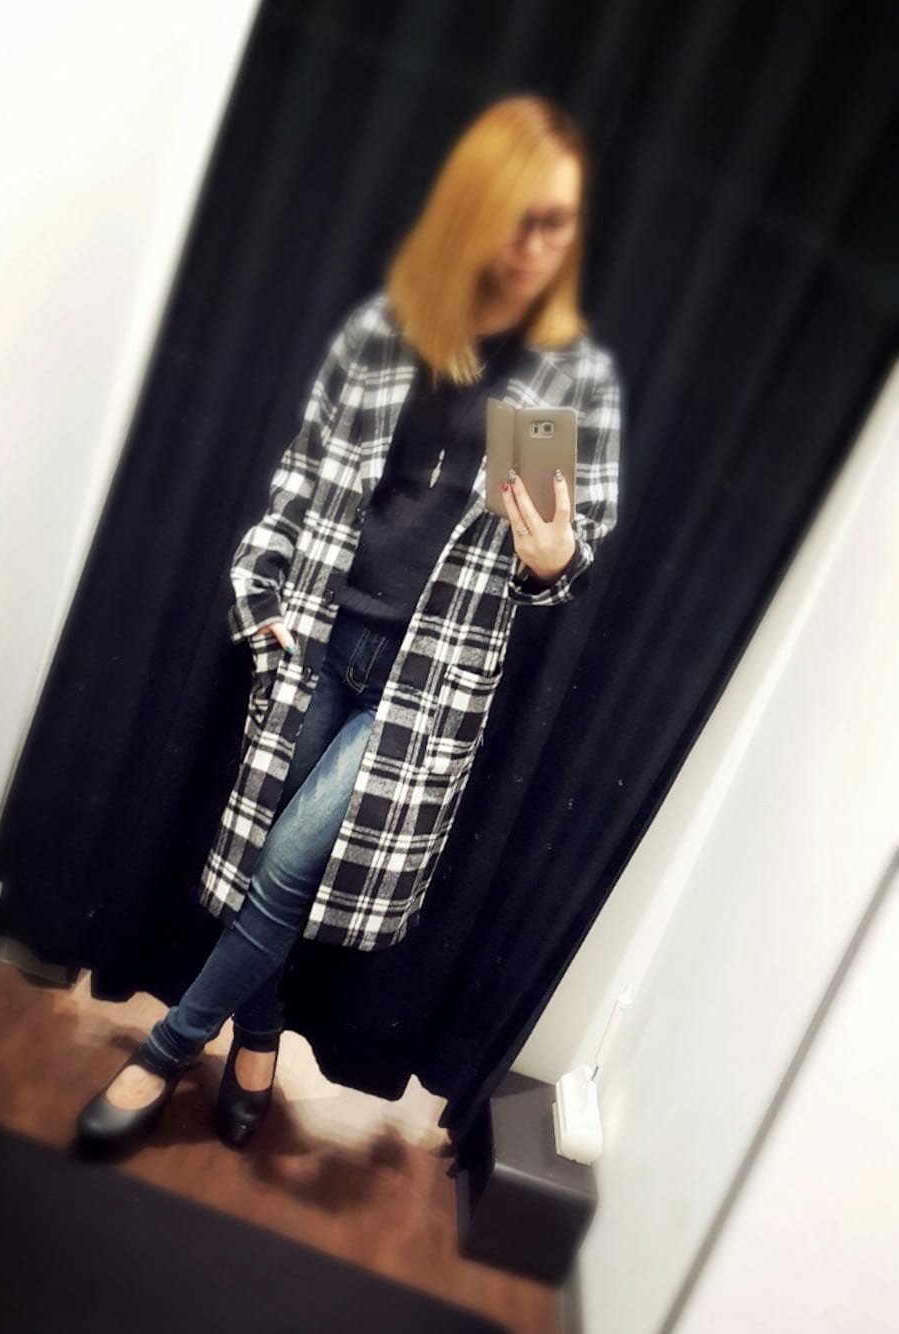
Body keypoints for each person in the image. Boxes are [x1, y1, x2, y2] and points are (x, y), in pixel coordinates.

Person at [75, 94, 622, 1153]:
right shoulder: (384, 336)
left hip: (427, 679)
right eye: (515, 216)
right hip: (324, 636)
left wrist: (556, 561)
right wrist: (262, 590)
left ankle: (163, 1052)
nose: (533, 245)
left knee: (286, 863)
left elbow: (560, 557)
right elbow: (300, 475)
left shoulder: (568, 380)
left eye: (556, 223)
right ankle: (256, 1039)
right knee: (258, 859)